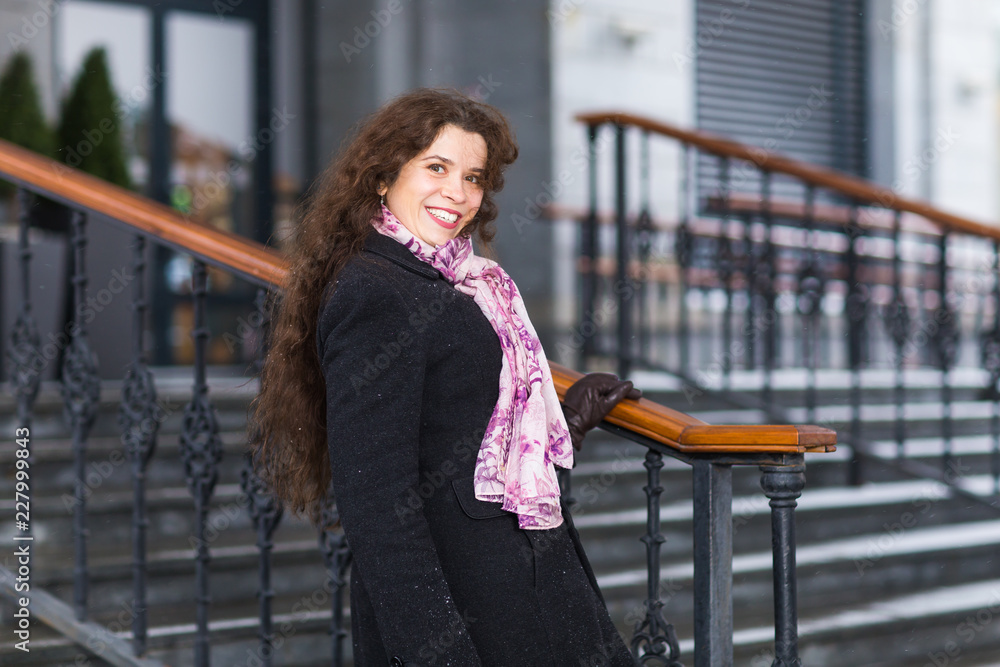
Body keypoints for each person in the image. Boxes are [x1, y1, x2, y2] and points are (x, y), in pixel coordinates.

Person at [251, 88, 639, 666]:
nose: (457, 194)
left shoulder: (462, 281)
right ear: (383, 178)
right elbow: (377, 504)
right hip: (470, 606)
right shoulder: (376, 290)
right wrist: (441, 650)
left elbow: (462, 432)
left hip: (523, 582)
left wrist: (569, 420)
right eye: (437, 167)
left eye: (474, 177)